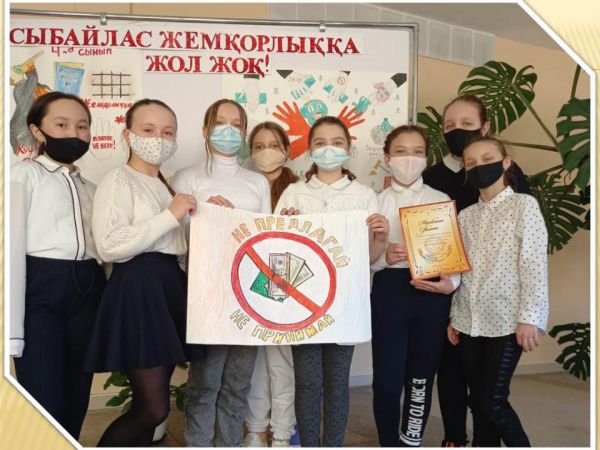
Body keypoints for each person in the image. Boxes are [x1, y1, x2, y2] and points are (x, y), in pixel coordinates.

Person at [84, 98, 198, 447]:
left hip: (166, 285)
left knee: (154, 408)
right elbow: (109, 245)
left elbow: (175, 243)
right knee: (153, 409)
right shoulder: (118, 179)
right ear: (127, 134)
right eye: (148, 130)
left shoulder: (164, 184)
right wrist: (171, 215)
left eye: (168, 132)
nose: (158, 139)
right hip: (138, 289)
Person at [422, 94, 532, 447]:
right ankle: (454, 439)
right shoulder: (431, 178)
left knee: (489, 394)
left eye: (466, 124)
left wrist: (529, 315)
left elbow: (530, 256)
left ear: (485, 127)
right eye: (450, 125)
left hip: (501, 310)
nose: (457, 131)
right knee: (452, 376)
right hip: (453, 300)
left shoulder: (516, 190)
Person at [275, 116, 389, 447]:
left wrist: (381, 237)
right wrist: (284, 228)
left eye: (337, 143)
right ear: (310, 149)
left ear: (348, 148)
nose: (329, 149)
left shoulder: (363, 195)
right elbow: (278, 252)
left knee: (338, 383)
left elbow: (369, 259)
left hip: (345, 303)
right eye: (320, 143)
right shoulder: (294, 194)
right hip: (302, 302)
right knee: (307, 382)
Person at [172, 99, 271, 447]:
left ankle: (229, 443)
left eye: (236, 124)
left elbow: (265, 238)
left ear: (244, 132)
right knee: (205, 382)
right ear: (205, 129)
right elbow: (178, 237)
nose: (228, 130)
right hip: (207, 291)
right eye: (220, 123)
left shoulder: (257, 182)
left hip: (250, 293)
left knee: (238, 383)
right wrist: (206, 216)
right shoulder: (186, 177)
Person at [10, 91, 105, 440]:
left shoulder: (92, 187)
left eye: (82, 126)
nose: (74, 134)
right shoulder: (23, 176)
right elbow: (11, 248)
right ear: (37, 130)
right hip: (41, 285)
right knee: (42, 395)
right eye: (61, 125)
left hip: (88, 285)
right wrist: (12, 331)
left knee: (77, 392)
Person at [449, 136, 548, 447]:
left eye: (487, 159)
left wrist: (529, 318)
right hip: (468, 320)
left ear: (505, 163)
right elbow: (460, 270)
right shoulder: (465, 216)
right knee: (478, 403)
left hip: (506, 321)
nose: (479, 166)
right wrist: (454, 316)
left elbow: (533, 264)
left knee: (491, 401)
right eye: (471, 163)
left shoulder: (524, 206)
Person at [370, 125, 461, 447]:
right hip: (389, 293)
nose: (409, 159)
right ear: (387, 158)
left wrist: (451, 284)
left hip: (430, 294)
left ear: (426, 158)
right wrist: (384, 257)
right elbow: (360, 261)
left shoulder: (440, 200)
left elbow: (452, 256)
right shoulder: (375, 201)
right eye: (400, 151)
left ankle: (411, 442)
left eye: (417, 152)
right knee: (387, 381)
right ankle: (388, 443)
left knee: (421, 379)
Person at [244, 121, 299, 447]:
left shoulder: (298, 189)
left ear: (287, 150)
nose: (266, 152)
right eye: (259, 146)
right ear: (250, 152)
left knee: (281, 363)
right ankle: (254, 429)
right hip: (248, 283)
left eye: (274, 145)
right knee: (253, 364)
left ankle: (282, 431)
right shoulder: (244, 187)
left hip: (285, 284)